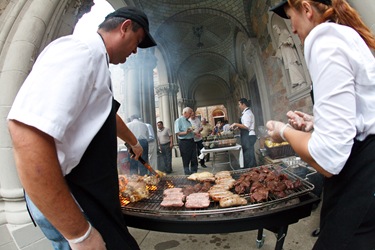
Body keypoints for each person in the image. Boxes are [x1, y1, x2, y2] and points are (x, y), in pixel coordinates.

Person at [7, 6, 156, 250]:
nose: (135, 51)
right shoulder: (81, 51)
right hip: (71, 198)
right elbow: (26, 134)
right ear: (125, 27)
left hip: (86, 197)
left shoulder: (96, 61)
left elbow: (106, 114)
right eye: (137, 41)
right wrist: (80, 235)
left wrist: (133, 142)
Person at [269, 0, 375, 249]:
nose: (292, 29)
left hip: (364, 176)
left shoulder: (324, 40)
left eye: (290, 17)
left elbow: (327, 159)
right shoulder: (344, 35)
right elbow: (362, 116)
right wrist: (316, 124)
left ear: (306, 9)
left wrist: (283, 131)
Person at [273, 24, 307, 89]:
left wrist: (286, 42)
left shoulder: (284, 31)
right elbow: (279, 48)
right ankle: (296, 82)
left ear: (279, 27)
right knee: (290, 66)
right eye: (275, 30)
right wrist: (277, 55)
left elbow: (290, 38)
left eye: (276, 28)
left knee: (293, 64)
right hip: (285, 54)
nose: (276, 31)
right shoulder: (279, 38)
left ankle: (301, 81)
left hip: (289, 51)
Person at [230, 98, 257, 168]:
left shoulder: (247, 113)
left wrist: (235, 124)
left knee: (249, 155)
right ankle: (250, 168)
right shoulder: (246, 113)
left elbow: (246, 126)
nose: (239, 106)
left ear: (243, 104)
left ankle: (250, 169)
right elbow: (244, 125)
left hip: (248, 136)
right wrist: (238, 127)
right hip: (246, 135)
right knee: (248, 154)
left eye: (239, 104)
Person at [174, 107, 198, 175]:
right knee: (186, 159)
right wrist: (186, 132)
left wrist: (195, 133)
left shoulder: (188, 121)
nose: (191, 115)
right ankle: (187, 175)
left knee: (194, 159)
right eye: (190, 113)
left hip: (192, 141)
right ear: (185, 113)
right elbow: (177, 133)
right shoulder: (178, 120)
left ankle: (194, 174)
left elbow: (190, 131)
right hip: (184, 142)